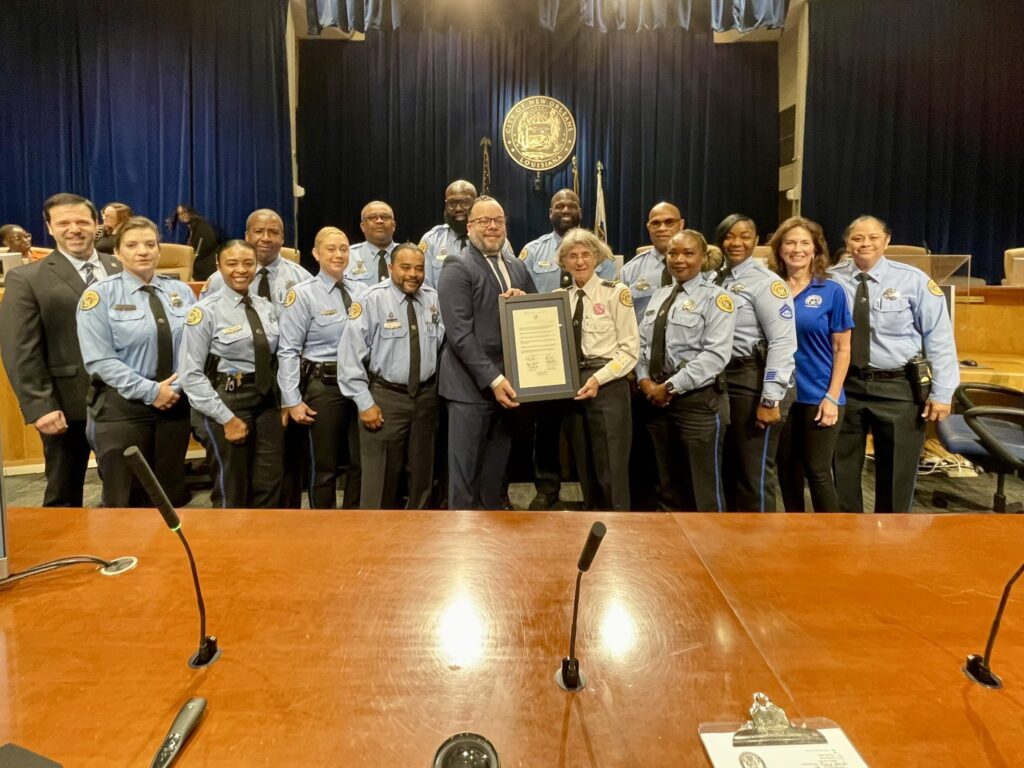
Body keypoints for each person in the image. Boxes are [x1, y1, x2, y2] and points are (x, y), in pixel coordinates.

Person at [829, 215, 959, 513]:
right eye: (857, 238)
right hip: (845, 385)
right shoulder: (830, 279)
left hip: (898, 387)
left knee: (896, 473)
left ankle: (891, 540)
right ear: (847, 242)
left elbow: (939, 338)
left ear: (887, 241)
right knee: (841, 468)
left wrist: (942, 392)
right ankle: (844, 536)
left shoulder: (913, 280)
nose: (865, 244)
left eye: (873, 237)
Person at [0, 193, 123, 506]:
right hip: (66, 406)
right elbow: (19, 349)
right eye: (64, 223)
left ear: (96, 225)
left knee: (127, 493)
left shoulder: (121, 267)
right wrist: (39, 405)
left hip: (126, 403)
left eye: (82, 221)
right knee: (63, 497)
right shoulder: (26, 279)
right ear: (49, 228)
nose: (74, 229)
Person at [76, 216, 195, 506]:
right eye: (132, 245)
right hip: (123, 409)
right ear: (117, 253)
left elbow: (195, 348)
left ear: (158, 250)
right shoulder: (98, 296)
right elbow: (100, 360)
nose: (142, 251)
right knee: (126, 499)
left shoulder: (180, 292)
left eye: (149, 244)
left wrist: (174, 388)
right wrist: (152, 392)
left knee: (170, 498)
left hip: (174, 406)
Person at [202, 208, 312, 507]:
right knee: (232, 479)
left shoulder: (302, 279)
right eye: (258, 232)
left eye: (273, 232)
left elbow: (301, 342)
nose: (266, 238)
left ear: (283, 238)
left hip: (281, 390)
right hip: (231, 390)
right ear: (247, 235)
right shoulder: (216, 281)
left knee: (278, 475)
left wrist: (289, 395)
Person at [519, 189, 616, 509]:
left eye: (571, 205)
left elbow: (611, 298)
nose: (565, 209)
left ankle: (593, 492)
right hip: (547, 353)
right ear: (550, 212)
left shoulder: (598, 251)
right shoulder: (532, 252)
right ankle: (547, 487)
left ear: (580, 210)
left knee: (587, 429)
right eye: (558, 205)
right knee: (546, 425)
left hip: (591, 353)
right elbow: (527, 302)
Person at [438, 196, 536, 509]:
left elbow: (535, 312)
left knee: (495, 477)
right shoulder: (457, 265)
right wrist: (493, 379)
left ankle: (491, 547)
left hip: (510, 386)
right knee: (465, 479)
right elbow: (460, 335)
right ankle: (462, 552)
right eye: (484, 221)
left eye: (498, 220)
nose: (492, 227)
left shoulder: (517, 266)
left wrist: (522, 299)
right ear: (469, 227)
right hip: (471, 389)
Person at [339, 243, 444, 509]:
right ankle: (376, 542)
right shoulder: (370, 299)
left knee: (422, 475)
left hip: (425, 398)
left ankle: (419, 537)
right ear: (390, 268)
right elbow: (350, 357)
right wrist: (365, 403)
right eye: (405, 267)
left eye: (419, 268)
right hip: (385, 399)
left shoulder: (432, 298)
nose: (413, 274)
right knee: (380, 479)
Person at [636, 230, 735, 512]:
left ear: (703, 258)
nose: (679, 260)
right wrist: (644, 381)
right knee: (666, 485)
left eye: (688, 253)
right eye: (672, 253)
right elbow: (643, 345)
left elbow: (714, 357)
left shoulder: (717, 299)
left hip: (698, 403)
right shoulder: (660, 295)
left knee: (702, 489)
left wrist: (668, 388)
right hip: (655, 402)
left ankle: (710, 552)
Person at [179, 240, 282, 508]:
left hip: (266, 403)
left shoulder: (265, 307)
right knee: (232, 488)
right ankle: (228, 547)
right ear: (218, 267)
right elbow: (191, 374)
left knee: (269, 483)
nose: (241, 270)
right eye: (232, 263)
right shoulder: (204, 312)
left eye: (248, 263)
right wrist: (226, 419)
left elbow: (275, 358)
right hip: (228, 402)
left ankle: (265, 546)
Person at [712, 214, 797, 512]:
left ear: (756, 241)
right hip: (722, 381)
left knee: (754, 475)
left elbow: (783, 342)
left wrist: (771, 399)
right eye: (729, 236)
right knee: (727, 470)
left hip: (753, 380)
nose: (736, 242)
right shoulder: (714, 278)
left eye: (745, 236)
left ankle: (760, 550)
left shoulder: (767, 284)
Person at [768, 217, 852, 512]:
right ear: (780, 250)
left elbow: (842, 348)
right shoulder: (769, 288)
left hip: (819, 396)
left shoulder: (831, 290)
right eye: (790, 243)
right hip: (781, 396)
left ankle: (830, 542)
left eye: (805, 243)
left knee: (817, 472)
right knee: (787, 471)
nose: (797, 249)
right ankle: (795, 535)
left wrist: (832, 397)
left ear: (816, 250)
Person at [277, 226, 366, 509]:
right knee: (324, 466)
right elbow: (288, 350)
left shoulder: (362, 291)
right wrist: (291, 399)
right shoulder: (302, 294)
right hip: (324, 385)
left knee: (361, 462)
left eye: (344, 248)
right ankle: (322, 525)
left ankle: (354, 521)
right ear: (316, 253)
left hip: (362, 385)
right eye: (331, 249)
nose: (339, 254)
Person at [556, 228, 638, 510]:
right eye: (572, 256)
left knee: (611, 469)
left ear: (598, 257)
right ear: (563, 261)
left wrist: (597, 379)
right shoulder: (558, 298)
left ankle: (619, 537)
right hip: (572, 386)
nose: (579, 262)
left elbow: (629, 351)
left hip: (608, 385)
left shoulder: (616, 293)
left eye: (586, 255)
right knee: (585, 467)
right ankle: (592, 525)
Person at [619, 202, 683, 511]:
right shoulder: (633, 269)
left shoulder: (705, 264)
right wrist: (635, 373)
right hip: (641, 373)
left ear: (680, 224)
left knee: (682, 453)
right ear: (648, 227)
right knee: (643, 451)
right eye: (655, 222)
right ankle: (643, 513)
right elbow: (623, 322)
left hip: (687, 374)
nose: (662, 227)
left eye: (669, 221)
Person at [419, 180, 514, 289]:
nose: (458, 208)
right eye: (452, 203)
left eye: (465, 202)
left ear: (476, 203)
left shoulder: (494, 239)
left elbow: (512, 279)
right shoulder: (432, 240)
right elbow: (425, 288)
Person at [345, 201, 398, 290]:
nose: (379, 221)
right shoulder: (348, 256)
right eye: (373, 217)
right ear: (362, 226)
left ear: (394, 225)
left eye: (384, 217)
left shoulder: (408, 255)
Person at [166, 204, 220, 280]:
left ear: (191, 212)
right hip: (199, 268)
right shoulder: (191, 228)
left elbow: (207, 246)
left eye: (184, 213)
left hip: (207, 269)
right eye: (180, 214)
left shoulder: (202, 226)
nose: (182, 216)